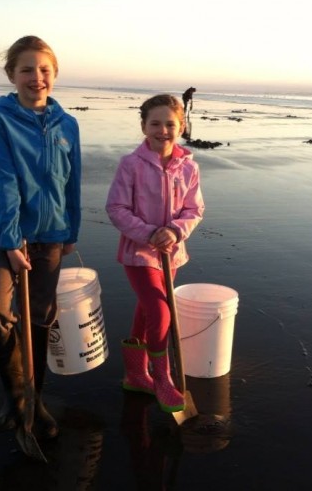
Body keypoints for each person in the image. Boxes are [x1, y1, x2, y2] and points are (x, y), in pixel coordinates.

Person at [0, 36, 82, 441]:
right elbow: (3, 182)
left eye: (44, 70)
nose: (36, 78)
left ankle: (34, 400)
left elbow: (72, 183)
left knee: (40, 318)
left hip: (51, 237)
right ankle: (14, 395)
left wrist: (71, 232)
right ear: (11, 75)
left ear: (53, 75)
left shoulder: (68, 124)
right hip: (5, 234)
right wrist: (10, 240)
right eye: (26, 69)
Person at [106, 94, 205, 413]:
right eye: (155, 123)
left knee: (146, 311)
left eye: (170, 124)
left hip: (171, 254)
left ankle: (135, 374)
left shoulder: (189, 167)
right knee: (161, 311)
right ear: (144, 126)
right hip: (139, 254)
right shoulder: (130, 165)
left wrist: (175, 231)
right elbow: (116, 207)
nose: (163, 130)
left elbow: (195, 208)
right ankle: (162, 377)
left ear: (182, 126)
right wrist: (149, 233)